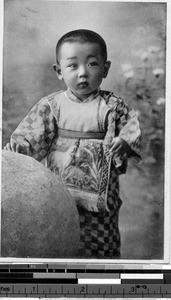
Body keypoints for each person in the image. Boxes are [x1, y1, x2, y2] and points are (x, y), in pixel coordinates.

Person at [4, 29, 142, 259]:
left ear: (105, 69)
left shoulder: (113, 106)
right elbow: (29, 135)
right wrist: (15, 152)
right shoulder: (52, 105)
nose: (82, 74)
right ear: (59, 71)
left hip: (100, 192)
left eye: (92, 64)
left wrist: (125, 141)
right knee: (59, 234)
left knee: (101, 243)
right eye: (72, 66)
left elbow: (131, 127)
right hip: (59, 190)